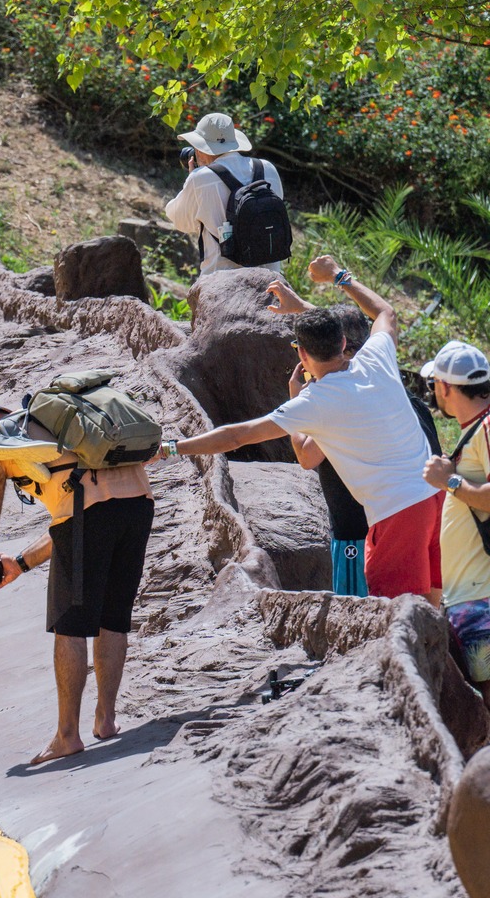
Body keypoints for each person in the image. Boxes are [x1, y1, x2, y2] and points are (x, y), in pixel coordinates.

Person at [167, 257, 440, 599]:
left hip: (397, 513)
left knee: (393, 613)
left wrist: (171, 447)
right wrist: (340, 276)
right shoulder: (376, 359)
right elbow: (386, 313)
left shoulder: (316, 403)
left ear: (303, 355)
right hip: (432, 497)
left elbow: (238, 435)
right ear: (343, 343)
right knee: (428, 608)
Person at [0, 395, 156, 766]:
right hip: (138, 504)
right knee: (113, 618)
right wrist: (19, 564)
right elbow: (72, 516)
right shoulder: (51, 422)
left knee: (70, 629)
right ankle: (106, 720)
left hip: (89, 514)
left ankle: (67, 736)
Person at [297, 308, 439, 596]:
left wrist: (300, 400)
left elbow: (306, 457)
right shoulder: (395, 392)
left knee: (365, 616)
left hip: (361, 533)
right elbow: (386, 314)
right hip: (421, 513)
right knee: (420, 604)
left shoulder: (339, 402)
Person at [421, 340, 490, 688]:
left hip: (482, 599)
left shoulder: (488, 426)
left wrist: (449, 481)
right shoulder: (477, 429)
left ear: (445, 386)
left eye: (434, 384)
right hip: (470, 596)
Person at [164, 111, 286, 276]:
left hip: (221, 281)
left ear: (200, 148)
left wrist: (192, 178)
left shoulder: (201, 178)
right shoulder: (267, 168)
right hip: (271, 279)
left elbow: (181, 222)